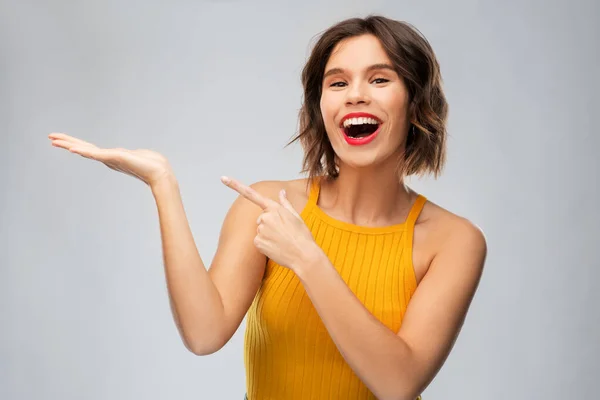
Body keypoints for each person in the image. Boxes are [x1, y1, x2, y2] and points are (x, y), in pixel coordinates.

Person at [48, 14, 486, 400]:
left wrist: (307, 259)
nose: (355, 95)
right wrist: (162, 183)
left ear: (415, 105)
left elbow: (398, 383)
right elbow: (203, 334)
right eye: (337, 82)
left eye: (379, 79)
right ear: (321, 107)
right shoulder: (268, 205)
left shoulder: (453, 241)